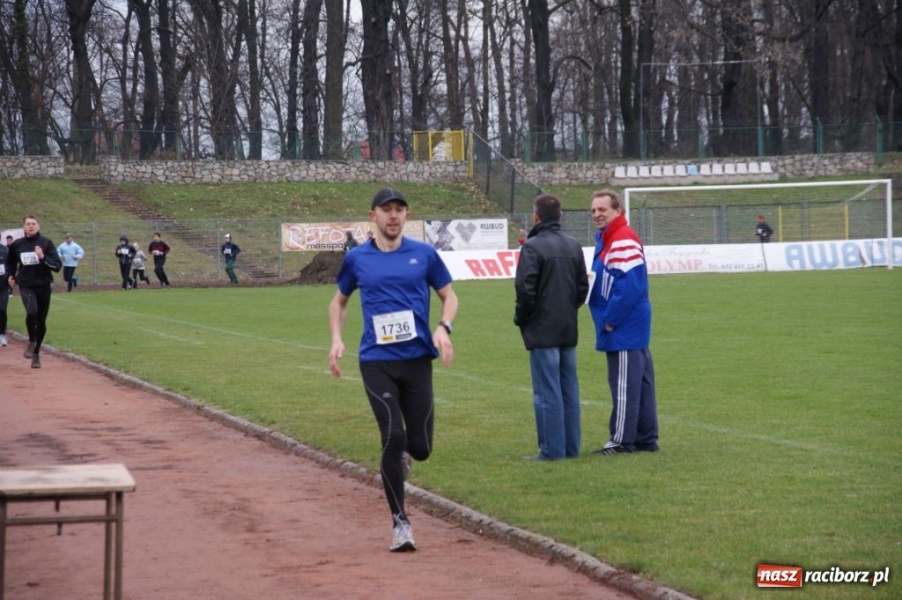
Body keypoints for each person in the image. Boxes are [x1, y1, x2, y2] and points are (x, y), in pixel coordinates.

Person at [328, 188, 458, 553]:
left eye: (400, 210)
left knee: (421, 447)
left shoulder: (424, 254)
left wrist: (443, 327)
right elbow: (338, 302)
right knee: (392, 436)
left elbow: (450, 296)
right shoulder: (357, 259)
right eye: (386, 210)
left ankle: (404, 458)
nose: (393, 216)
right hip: (376, 362)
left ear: (406, 215)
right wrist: (337, 339)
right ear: (373, 216)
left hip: (417, 360)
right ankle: (401, 523)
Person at [514, 194, 588, 461]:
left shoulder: (532, 247)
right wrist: (567, 310)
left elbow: (525, 290)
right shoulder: (574, 245)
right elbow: (582, 289)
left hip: (543, 329)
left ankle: (551, 451)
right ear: (561, 215)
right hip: (567, 327)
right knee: (569, 389)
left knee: (547, 392)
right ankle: (570, 448)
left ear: (536, 217)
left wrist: (522, 318)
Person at [587, 190, 659, 455]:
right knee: (640, 383)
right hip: (629, 326)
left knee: (624, 385)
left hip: (623, 326)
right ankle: (645, 437)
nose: (597, 215)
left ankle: (621, 441)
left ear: (618, 211)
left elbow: (629, 285)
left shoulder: (621, 238)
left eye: (602, 209)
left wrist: (610, 319)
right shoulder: (611, 239)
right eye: (593, 210)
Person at [5, 215, 62, 368]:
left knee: (41, 320)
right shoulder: (17, 244)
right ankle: (31, 340)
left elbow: (57, 266)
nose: (31, 226)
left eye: (33, 224)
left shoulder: (46, 243)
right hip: (25, 284)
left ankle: (36, 353)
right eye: (28, 224)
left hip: (43, 285)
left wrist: (42, 257)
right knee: (32, 311)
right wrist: (10, 277)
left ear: (39, 226)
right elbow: (10, 264)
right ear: (24, 227)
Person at [0, 238, 10, 347]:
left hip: (2, 286)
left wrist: (10, 278)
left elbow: (10, 266)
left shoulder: (5, 251)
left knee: (2, 310)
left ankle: (2, 334)